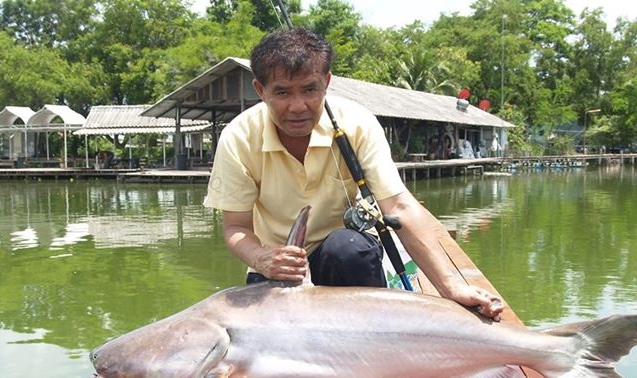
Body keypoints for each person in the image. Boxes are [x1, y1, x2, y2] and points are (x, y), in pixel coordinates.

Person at [204, 28, 502, 318]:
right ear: (260, 90)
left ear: (327, 82)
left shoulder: (357, 123)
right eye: (282, 92)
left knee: (348, 248)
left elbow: (398, 207)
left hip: (340, 257)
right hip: (275, 268)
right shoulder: (238, 137)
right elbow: (236, 227)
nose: (297, 106)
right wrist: (263, 259)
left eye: (310, 89)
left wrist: (450, 286)